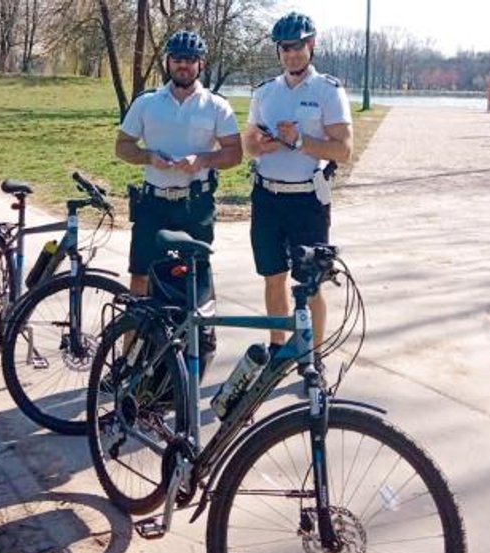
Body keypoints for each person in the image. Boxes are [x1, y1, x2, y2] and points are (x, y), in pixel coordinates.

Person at [242, 12, 354, 366]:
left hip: (307, 199)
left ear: (312, 46)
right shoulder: (265, 92)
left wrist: (301, 140)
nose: (292, 54)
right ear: (278, 50)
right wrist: (260, 144)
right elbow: (248, 144)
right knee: (273, 279)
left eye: (298, 47)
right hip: (268, 198)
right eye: (285, 48)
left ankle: (311, 358)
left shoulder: (328, 91)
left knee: (310, 285)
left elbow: (344, 150)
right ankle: (277, 350)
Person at [115, 30, 243, 298]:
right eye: (176, 59)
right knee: (140, 276)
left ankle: (197, 339)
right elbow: (122, 147)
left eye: (189, 59)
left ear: (201, 63)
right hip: (153, 204)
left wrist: (203, 160)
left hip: (195, 205)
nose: (183, 65)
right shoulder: (146, 102)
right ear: (167, 62)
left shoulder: (216, 106)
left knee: (196, 279)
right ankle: (135, 340)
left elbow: (235, 154)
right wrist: (149, 156)